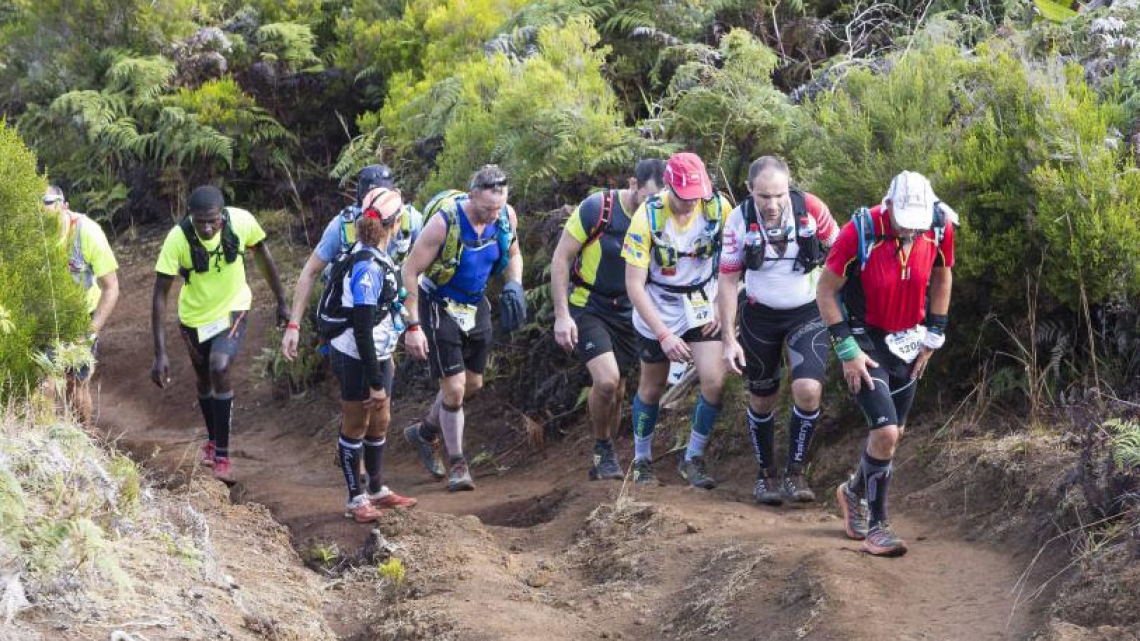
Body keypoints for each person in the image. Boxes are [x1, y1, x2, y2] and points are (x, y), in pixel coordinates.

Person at [816, 171, 955, 556]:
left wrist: (936, 331)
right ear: (889, 205)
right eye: (904, 222)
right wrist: (846, 350)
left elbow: (943, 276)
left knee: (895, 434)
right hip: (864, 337)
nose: (911, 231)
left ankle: (851, 492)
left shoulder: (940, 227)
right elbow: (825, 291)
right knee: (887, 433)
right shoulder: (858, 231)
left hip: (909, 337)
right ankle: (878, 526)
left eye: (918, 224)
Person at [719, 157, 839, 505]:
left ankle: (796, 472)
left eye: (779, 195)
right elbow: (727, 280)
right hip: (760, 314)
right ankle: (765, 474)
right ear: (749, 191)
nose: (772, 205)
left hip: (807, 311)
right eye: (763, 197)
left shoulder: (812, 208)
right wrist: (728, 338)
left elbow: (843, 252)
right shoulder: (738, 219)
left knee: (808, 390)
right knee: (762, 397)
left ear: (790, 187)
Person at [150, 185, 289, 483]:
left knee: (220, 367)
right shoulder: (178, 239)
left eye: (213, 221)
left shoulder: (240, 222)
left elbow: (263, 254)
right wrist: (159, 352)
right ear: (191, 218)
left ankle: (223, 457)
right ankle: (213, 441)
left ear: (222, 216)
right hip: (193, 319)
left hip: (233, 309)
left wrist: (281, 301)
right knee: (203, 379)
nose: (208, 227)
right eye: (201, 222)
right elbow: (160, 294)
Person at [401, 165, 526, 492]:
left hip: (475, 303)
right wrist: (412, 323)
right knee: (454, 388)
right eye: (486, 208)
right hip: (438, 303)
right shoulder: (445, 223)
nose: (491, 214)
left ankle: (425, 432)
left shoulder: (505, 217)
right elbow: (410, 269)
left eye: (498, 207)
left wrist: (515, 284)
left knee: (473, 383)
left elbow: (513, 252)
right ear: (471, 197)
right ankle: (458, 464)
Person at [620, 152, 733, 488]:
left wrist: (718, 304)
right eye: (683, 198)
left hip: (702, 301)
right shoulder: (648, 217)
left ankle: (693, 458)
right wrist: (664, 334)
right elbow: (633, 285)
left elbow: (732, 263)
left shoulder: (718, 208)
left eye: (695, 197)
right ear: (669, 187)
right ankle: (641, 460)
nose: (690, 205)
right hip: (658, 306)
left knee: (714, 380)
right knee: (653, 386)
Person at [551, 160, 666, 480]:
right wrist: (562, 315)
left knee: (618, 391)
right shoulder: (597, 208)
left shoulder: (663, 217)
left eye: (660, 200)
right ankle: (602, 447)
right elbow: (561, 258)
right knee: (606, 381)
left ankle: (607, 455)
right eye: (649, 198)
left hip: (632, 309)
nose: (654, 207)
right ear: (633, 184)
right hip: (589, 305)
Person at [326, 187, 418, 522]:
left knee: (381, 419)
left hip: (378, 350)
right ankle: (355, 498)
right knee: (356, 422)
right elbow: (362, 328)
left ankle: (377, 488)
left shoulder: (380, 255)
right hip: (355, 352)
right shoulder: (367, 266)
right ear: (394, 223)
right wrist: (376, 382)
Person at [280, 164, 423, 360]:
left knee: (381, 373)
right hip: (351, 311)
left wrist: (415, 324)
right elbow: (311, 271)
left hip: (392, 304)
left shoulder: (410, 221)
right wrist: (293, 325)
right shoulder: (343, 226)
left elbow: (421, 266)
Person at [44, 186, 120, 426]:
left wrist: (91, 331)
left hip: (82, 316)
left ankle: (84, 435)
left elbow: (111, 287)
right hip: (45, 315)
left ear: (64, 207)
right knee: (45, 383)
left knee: (77, 381)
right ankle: (45, 441)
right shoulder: (30, 235)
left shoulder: (87, 232)